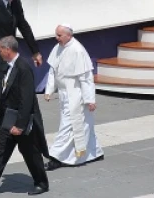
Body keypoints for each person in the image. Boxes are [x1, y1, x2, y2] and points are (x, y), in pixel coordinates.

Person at [0, 36, 49, 197]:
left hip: (21, 120)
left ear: (7, 50)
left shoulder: (23, 68)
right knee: (1, 152)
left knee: (31, 153)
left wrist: (20, 125)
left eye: (0, 50)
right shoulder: (10, 67)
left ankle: (41, 183)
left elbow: (27, 100)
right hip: (9, 117)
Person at [0, 0, 43, 136]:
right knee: (4, 87)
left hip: (9, 53)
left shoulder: (15, 3)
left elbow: (23, 25)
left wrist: (35, 51)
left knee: (4, 87)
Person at [44, 24, 104, 171]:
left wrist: (90, 100)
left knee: (68, 126)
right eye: (56, 34)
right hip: (64, 94)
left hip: (76, 95)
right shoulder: (58, 47)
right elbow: (53, 70)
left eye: (59, 35)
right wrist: (49, 90)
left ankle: (55, 156)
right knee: (85, 125)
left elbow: (86, 78)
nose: (56, 37)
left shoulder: (78, 50)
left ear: (68, 35)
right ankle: (94, 152)